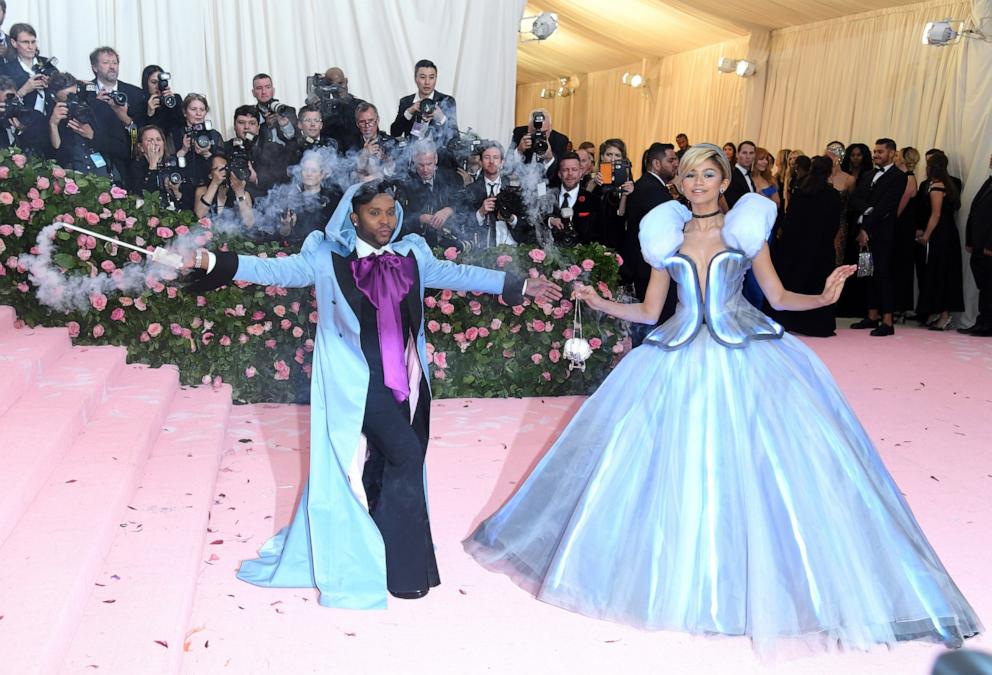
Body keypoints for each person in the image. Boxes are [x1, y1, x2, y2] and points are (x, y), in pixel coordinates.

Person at [464, 143, 982, 656]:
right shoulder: (665, 234)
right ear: (680, 182)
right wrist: (599, 300)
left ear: (724, 181)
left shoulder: (745, 230)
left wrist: (824, 299)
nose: (697, 185)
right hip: (675, 356)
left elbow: (777, 298)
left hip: (744, 356)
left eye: (707, 176)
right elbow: (650, 312)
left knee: (758, 471)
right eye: (689, 177)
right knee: (671, 472)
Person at [183, 179, 561, 607]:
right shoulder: (326, 258)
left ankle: (375, 552)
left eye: (390, 212)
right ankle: (405, 572)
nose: (386, 221)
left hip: (406, 380)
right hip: (357, 384)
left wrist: (519, 286)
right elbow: (275, 270)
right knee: (406, 455)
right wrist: (210, 259)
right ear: (353, 217)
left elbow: (460, 275)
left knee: (386, 462)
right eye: (375, 213)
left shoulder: (413, 254)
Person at [769, 155, 842, 336]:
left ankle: (790, 320)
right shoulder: (832, 194)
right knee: (817, 284)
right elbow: (833, 224)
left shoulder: (800, 191)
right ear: (829, 171)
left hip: (796, 246)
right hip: (821, 247)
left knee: (795, 282)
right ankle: (816, 324)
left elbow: (790, 219)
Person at [849, 138, 908, 336]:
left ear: (892, 153)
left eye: (880, 152)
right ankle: (872, 316)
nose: (875, 155)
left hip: (882, 234)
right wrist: (867, 208)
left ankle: (888, 321)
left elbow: (886, 206)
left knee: (882, 275)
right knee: (867, 273)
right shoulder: (867, 174)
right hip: (864, 234)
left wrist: (865, 227)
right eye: (874, 151)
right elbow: (855, 198)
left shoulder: (899, 177)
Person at [47, 72, 131, 181]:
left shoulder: (99, 107)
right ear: (56, 100)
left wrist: (93, 136)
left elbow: (122, 149)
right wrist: (53, 125)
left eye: (75, 95)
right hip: (74, 180)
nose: (73, 101)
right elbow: (56, 157)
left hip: (106, 177)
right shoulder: (56, 116)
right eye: (66, 100)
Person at [914, 152, 964, 330]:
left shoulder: (937, 185)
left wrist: (926, 235)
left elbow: (936, 214)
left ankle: (944, 316)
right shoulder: (950, 185)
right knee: (948, 273)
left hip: (939, 234)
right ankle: (943, 314)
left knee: (940, 272)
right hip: (949, 233)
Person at [624, 142, 678, 301]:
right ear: (656, 163)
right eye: (671, 160)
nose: (676, 164)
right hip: (646, 268)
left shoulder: (650, 185)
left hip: (645, 266)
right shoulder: (651, 189)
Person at [462, 140, 533, 248]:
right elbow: (464, 225)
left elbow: (527, 225)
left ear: (502, 162)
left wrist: (511, 219)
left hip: (513, 250)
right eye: (486, 157)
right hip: (483, 250)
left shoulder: (514, 187)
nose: (491, 161)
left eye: (495, 157)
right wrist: (480, 213)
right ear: (480, 162)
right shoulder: (471, 190)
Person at [960, 152, 992, 336]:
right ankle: (982, 321)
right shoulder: (988, 181)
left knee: (990, 286)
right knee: (983, 286)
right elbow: (975, 212)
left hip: (989, 246)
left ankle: (988, 325)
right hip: (979, 244)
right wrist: (970, 240)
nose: (990, 159)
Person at [536, 152, 598, 247]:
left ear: (580, 172)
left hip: (582, 256)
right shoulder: (547, 196)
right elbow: (537, 220)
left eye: (574, 169)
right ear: (560, 174)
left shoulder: (593, 200)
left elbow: (598, 234)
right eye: (565, 170)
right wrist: (550, 221)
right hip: (550, 255)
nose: (570, 174)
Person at [389, 59, 457, 144]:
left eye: (431, 77)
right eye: (423, 77)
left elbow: (455, 137)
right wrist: (409, 112)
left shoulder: (447, 101)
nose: (427, 82)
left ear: (436, 78)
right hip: (412, 154)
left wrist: (441, 118)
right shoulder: (406, 102)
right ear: (415, 78)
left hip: (439, 155)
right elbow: (395, 133)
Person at [586, 138, 634, 249]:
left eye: (617, 155)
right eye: (609, 154)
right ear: (602, 156)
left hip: (616, 235)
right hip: (593, 234)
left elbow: (622, 214)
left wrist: (626, 194)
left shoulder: (628, 181)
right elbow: (584, 203)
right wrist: (593, 183)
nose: (613, 159)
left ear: (623, 158)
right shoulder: (593, 178)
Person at [127, 124, 184, 209]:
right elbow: (144, 198)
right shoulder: (135, 167)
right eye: (150, 140)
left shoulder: (173, 164)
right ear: (141, 147)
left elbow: (186, 202)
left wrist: (176, 192)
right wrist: (153, 166)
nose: (156, 143)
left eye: (158, 139)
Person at [892, 147, 920, 317]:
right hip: (901, 227)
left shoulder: (908, 179)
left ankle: (900, 306)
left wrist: (890, 222)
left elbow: (899, 207)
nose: (895, 157)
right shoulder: (904, 177)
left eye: (897, 155)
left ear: (903, 159)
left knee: (901, 266)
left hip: (902, 228)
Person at [510, 108, 570, 186]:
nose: (539, 135)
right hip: (523, 186)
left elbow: (560, 173)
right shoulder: (519, 133)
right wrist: (519, 151)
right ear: (528, 128)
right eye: (535, 132)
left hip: (549, 188)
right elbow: (508, 165)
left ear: (550, 128)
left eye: (544, 132)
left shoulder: (560, 140)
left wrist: (550, 158)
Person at [193, 153, 254, 227]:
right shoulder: (202, 190)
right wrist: (215, 183)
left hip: (234, 236)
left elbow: (249, 224)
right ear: (210, 175)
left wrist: (239, 193)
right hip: (208, 236)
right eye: (219, 169)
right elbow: (200, 215)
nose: (224, 172)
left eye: (226, 168)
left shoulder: (243, 193)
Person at [0, 23, 49, 114]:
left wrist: (51, 85)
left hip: (48, 123)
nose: (30, 47)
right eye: (25, 42)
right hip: (20, 123)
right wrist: (24, 90)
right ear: (14, 43)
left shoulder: (47, 64)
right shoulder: (5, 70)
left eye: (33, 42)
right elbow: (3, 107)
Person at [137, 65, 183, 139]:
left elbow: (183, 123)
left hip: (175, 146)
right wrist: (150, 114)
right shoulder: (140, 105)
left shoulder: (176, 99)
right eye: (154, 82)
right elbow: (140, 135)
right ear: (146, 84)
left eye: (160, 82)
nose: (158, 86)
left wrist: (173, 104)